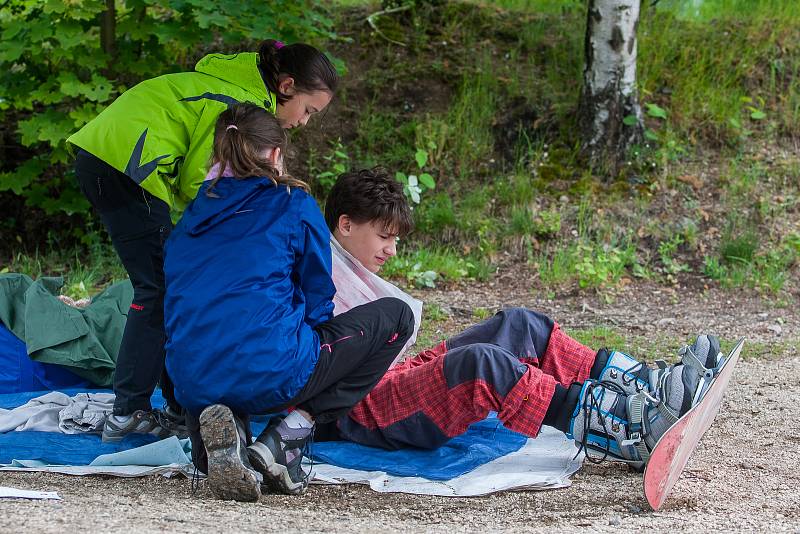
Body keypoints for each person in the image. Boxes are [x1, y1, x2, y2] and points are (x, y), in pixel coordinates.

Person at [322, 168, 724, 468]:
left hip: (389, 377)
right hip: (362, 408)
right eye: (384, 236)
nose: (392, 250)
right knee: (481, 366)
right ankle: (628, 428)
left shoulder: (346, 271)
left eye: (396, 239)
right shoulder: (316, 279)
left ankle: (649, 384)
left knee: (520, 324)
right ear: (346, 224)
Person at [66, 39, 338, 443]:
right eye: (308, 110)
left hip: (105, 155)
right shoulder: (239, 105)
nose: (303, 122)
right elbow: (208, 182)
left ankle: (170, 404)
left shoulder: (234, 82)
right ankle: (132, 412)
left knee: (166, 282)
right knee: (161, 287)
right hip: (122, 163)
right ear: (286, 86)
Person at [162, 104, 414, 502]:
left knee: (222, 349)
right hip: (271, 368)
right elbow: (318, 293)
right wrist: (313, 343)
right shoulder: (292, 203)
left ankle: (227, 443)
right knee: (397, 316)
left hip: (191, 378)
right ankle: (289, 434)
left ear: (218, 154)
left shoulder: (190, 217)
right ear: (276, 155)